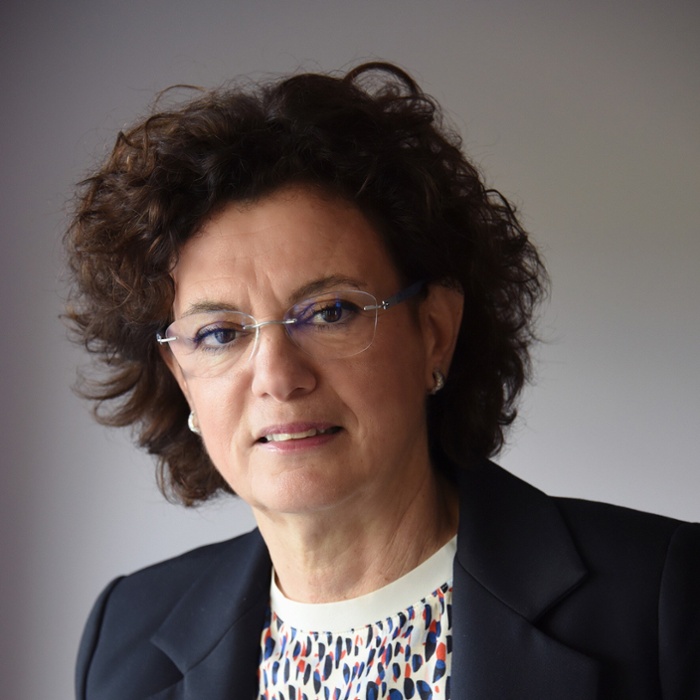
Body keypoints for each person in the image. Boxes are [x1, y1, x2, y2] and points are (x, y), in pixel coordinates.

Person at [66, 62, 699, 700]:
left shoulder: (661, 599)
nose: (279, 378)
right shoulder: (124, 637)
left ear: (435, 332)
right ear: (181, 377)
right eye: (220, 334)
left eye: (330, 312)